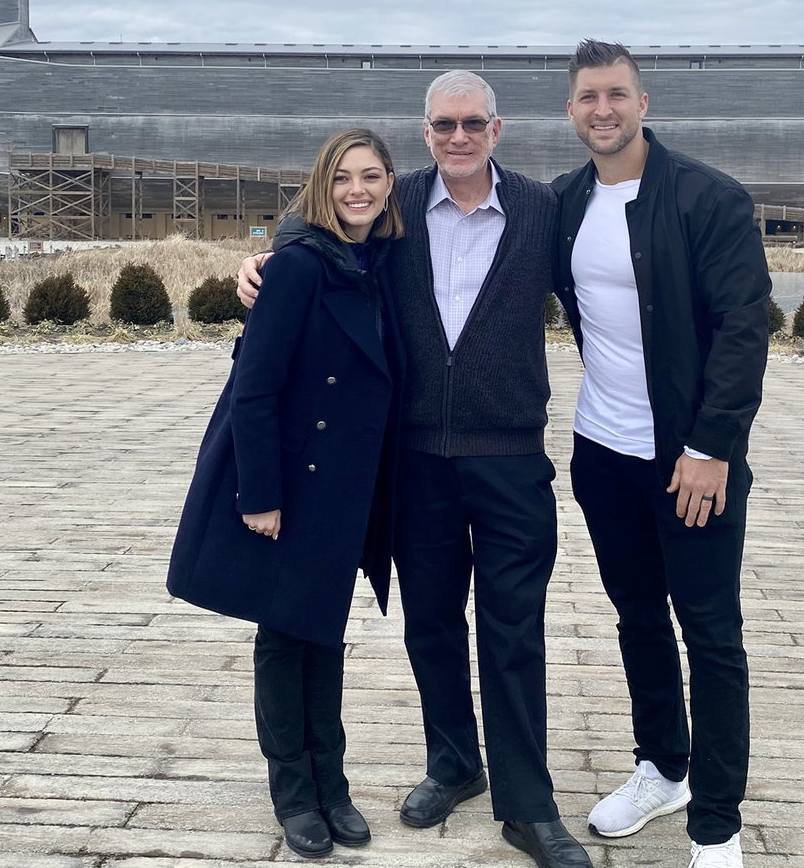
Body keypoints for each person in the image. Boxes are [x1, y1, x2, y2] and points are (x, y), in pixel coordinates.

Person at [239, 72, 591, 868]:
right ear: (425, 132)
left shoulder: (543, 208)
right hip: (416, 459)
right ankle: (453, 763)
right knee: (431, 623)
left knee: (513, 630)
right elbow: (315, 229)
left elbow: (597, 296)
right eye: (443, 125)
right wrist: (256, 264)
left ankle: (528, 808)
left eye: (472, 123)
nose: (458, 136)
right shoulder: (394, 201)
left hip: (509, 459)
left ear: (497, 130)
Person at [551, 40, 771, 868]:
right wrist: (275, 252)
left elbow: (745, 328)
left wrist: (711, 444)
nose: (602, 110)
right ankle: (662, 768)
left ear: (643, 103)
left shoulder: (707, 199)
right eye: (586, 98)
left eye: (616, 94)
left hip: (691, 459)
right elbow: (434, 212)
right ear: (570, 111)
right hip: (604, 455)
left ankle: (716, 823)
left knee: (711, 634)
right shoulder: (565, 202)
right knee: (638, 617)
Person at [167, 128, 405, 860]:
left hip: (350, 482)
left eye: (370, 176)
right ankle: (295, 792)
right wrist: (258, 493)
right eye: (342, 179)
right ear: (321, 188)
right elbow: (256, 388)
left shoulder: (385, 261)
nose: (357, 190)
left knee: (323, 631)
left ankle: (331, 783)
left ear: (391, 183)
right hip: (296, 482)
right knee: (284, 633)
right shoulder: (299, 268)